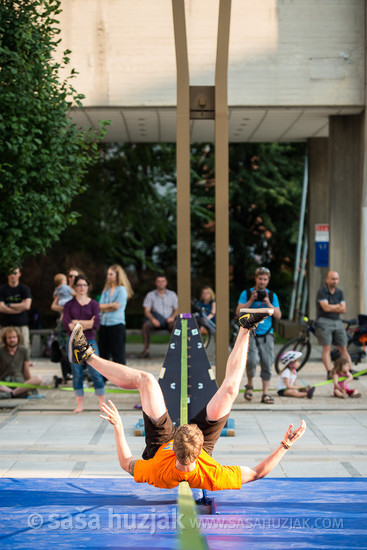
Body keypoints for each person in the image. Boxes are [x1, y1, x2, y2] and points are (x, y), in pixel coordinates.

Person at [68, 308, 306, 490]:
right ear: (201, 445)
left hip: (158, 446)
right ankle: (244, 329)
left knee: (147, 381)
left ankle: (85, 355)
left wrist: (119, 428)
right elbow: (256, 473)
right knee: (231, 390)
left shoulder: (156, 469)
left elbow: (126, 463)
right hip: (190, 453)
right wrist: (286, 445)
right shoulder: (211, 473)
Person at [236, 266, 282, 404]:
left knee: (267, 362)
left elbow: (278, 315)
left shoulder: (272, 296)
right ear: (256, 278)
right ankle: (249, 385)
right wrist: (251, 300)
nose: (262, 282)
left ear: (268, 280)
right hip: (250, 332)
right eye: (260, 278)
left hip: (267, 333)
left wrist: (268, 303)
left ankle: (265, 393)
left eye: (265, 279)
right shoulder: (247, 293)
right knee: (251, 360)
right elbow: (238, 312)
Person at [63, 275, 105, 413]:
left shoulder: (93, 304)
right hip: (74, 341)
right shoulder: (69, 305)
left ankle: (102, 404)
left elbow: (96, 324)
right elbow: (68, 325)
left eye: (84, 285)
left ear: (88, 287)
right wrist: (87, 323)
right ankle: (80, 405)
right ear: (75, 287)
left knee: (96, 372)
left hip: (90, 341)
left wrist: (77, 322)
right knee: (77, 373)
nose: (82, 288)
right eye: (79, 285)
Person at [315, 271, 352, 380]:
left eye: (336, 279)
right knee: (327, 348)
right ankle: (329, 372)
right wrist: (338, 307)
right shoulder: (322, 291)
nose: (335, 281)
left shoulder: (340, 292)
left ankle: (348, 371)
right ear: (327, 280)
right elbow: (325, 308)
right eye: (333, 279)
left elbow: (344, 309)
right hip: (324, 320)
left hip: (337, 321)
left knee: (343, 348)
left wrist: (332, 307)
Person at [51, 267, 84, 384]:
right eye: (70, 276)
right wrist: (66, 309)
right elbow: (53, 306)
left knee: (77, 348)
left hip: (76, 323)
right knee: (64, 348)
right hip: (63, 322)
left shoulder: (81, 289)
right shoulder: (63, 289)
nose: (72, 278)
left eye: (75, 276)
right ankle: (66, 374)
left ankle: (79, 374)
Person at [99, 265, 134, 365]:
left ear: (117, 276)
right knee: (103, 354)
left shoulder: (122, 290)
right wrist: (110, 305)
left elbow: (117, 307)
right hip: (104, 324)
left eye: (111, 274)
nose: (108, 276)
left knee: (118, 354)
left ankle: (121, 379)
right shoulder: (106, 290)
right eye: (107, 274)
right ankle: (103, 378)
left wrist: (105, 307)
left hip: (116, 324)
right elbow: (99, 306)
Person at [139, 275, 178, 359]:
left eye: (163, 281)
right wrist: (153, 319)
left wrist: (172, 317)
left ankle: (175, 350)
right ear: (156, 283)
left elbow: (177, 309)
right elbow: (147, 311)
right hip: (155, 320)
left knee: (176, 326)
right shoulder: (150, 295)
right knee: (146, 325)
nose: (161, 283)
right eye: (159, 281)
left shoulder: (172, 294)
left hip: (169, 320)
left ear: (166, 283)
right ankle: (146, 350)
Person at [0, 327, 42, 399]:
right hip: (5, 383)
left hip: (19, 381)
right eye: (9, 338)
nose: (12, 340)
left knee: (38, 378)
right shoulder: (1, 351)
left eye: (14, 337)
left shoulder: (23, 350)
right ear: (5, 339)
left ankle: (12, 394)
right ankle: (17, 393)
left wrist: (31, 384)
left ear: (18, 338)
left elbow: (26, 371)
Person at [0, 267, 32, 350]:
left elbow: (27, 306)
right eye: (10, 273)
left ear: (19, 274)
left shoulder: (24, 289)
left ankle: (26, 363)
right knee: (2, 348)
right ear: (7, 275)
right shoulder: (2, 289)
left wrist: (9, 305)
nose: (12, 276)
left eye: (15, 273)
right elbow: (1, 308)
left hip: (21, 324)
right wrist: (20, 307)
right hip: (5, 324)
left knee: (24, 347)